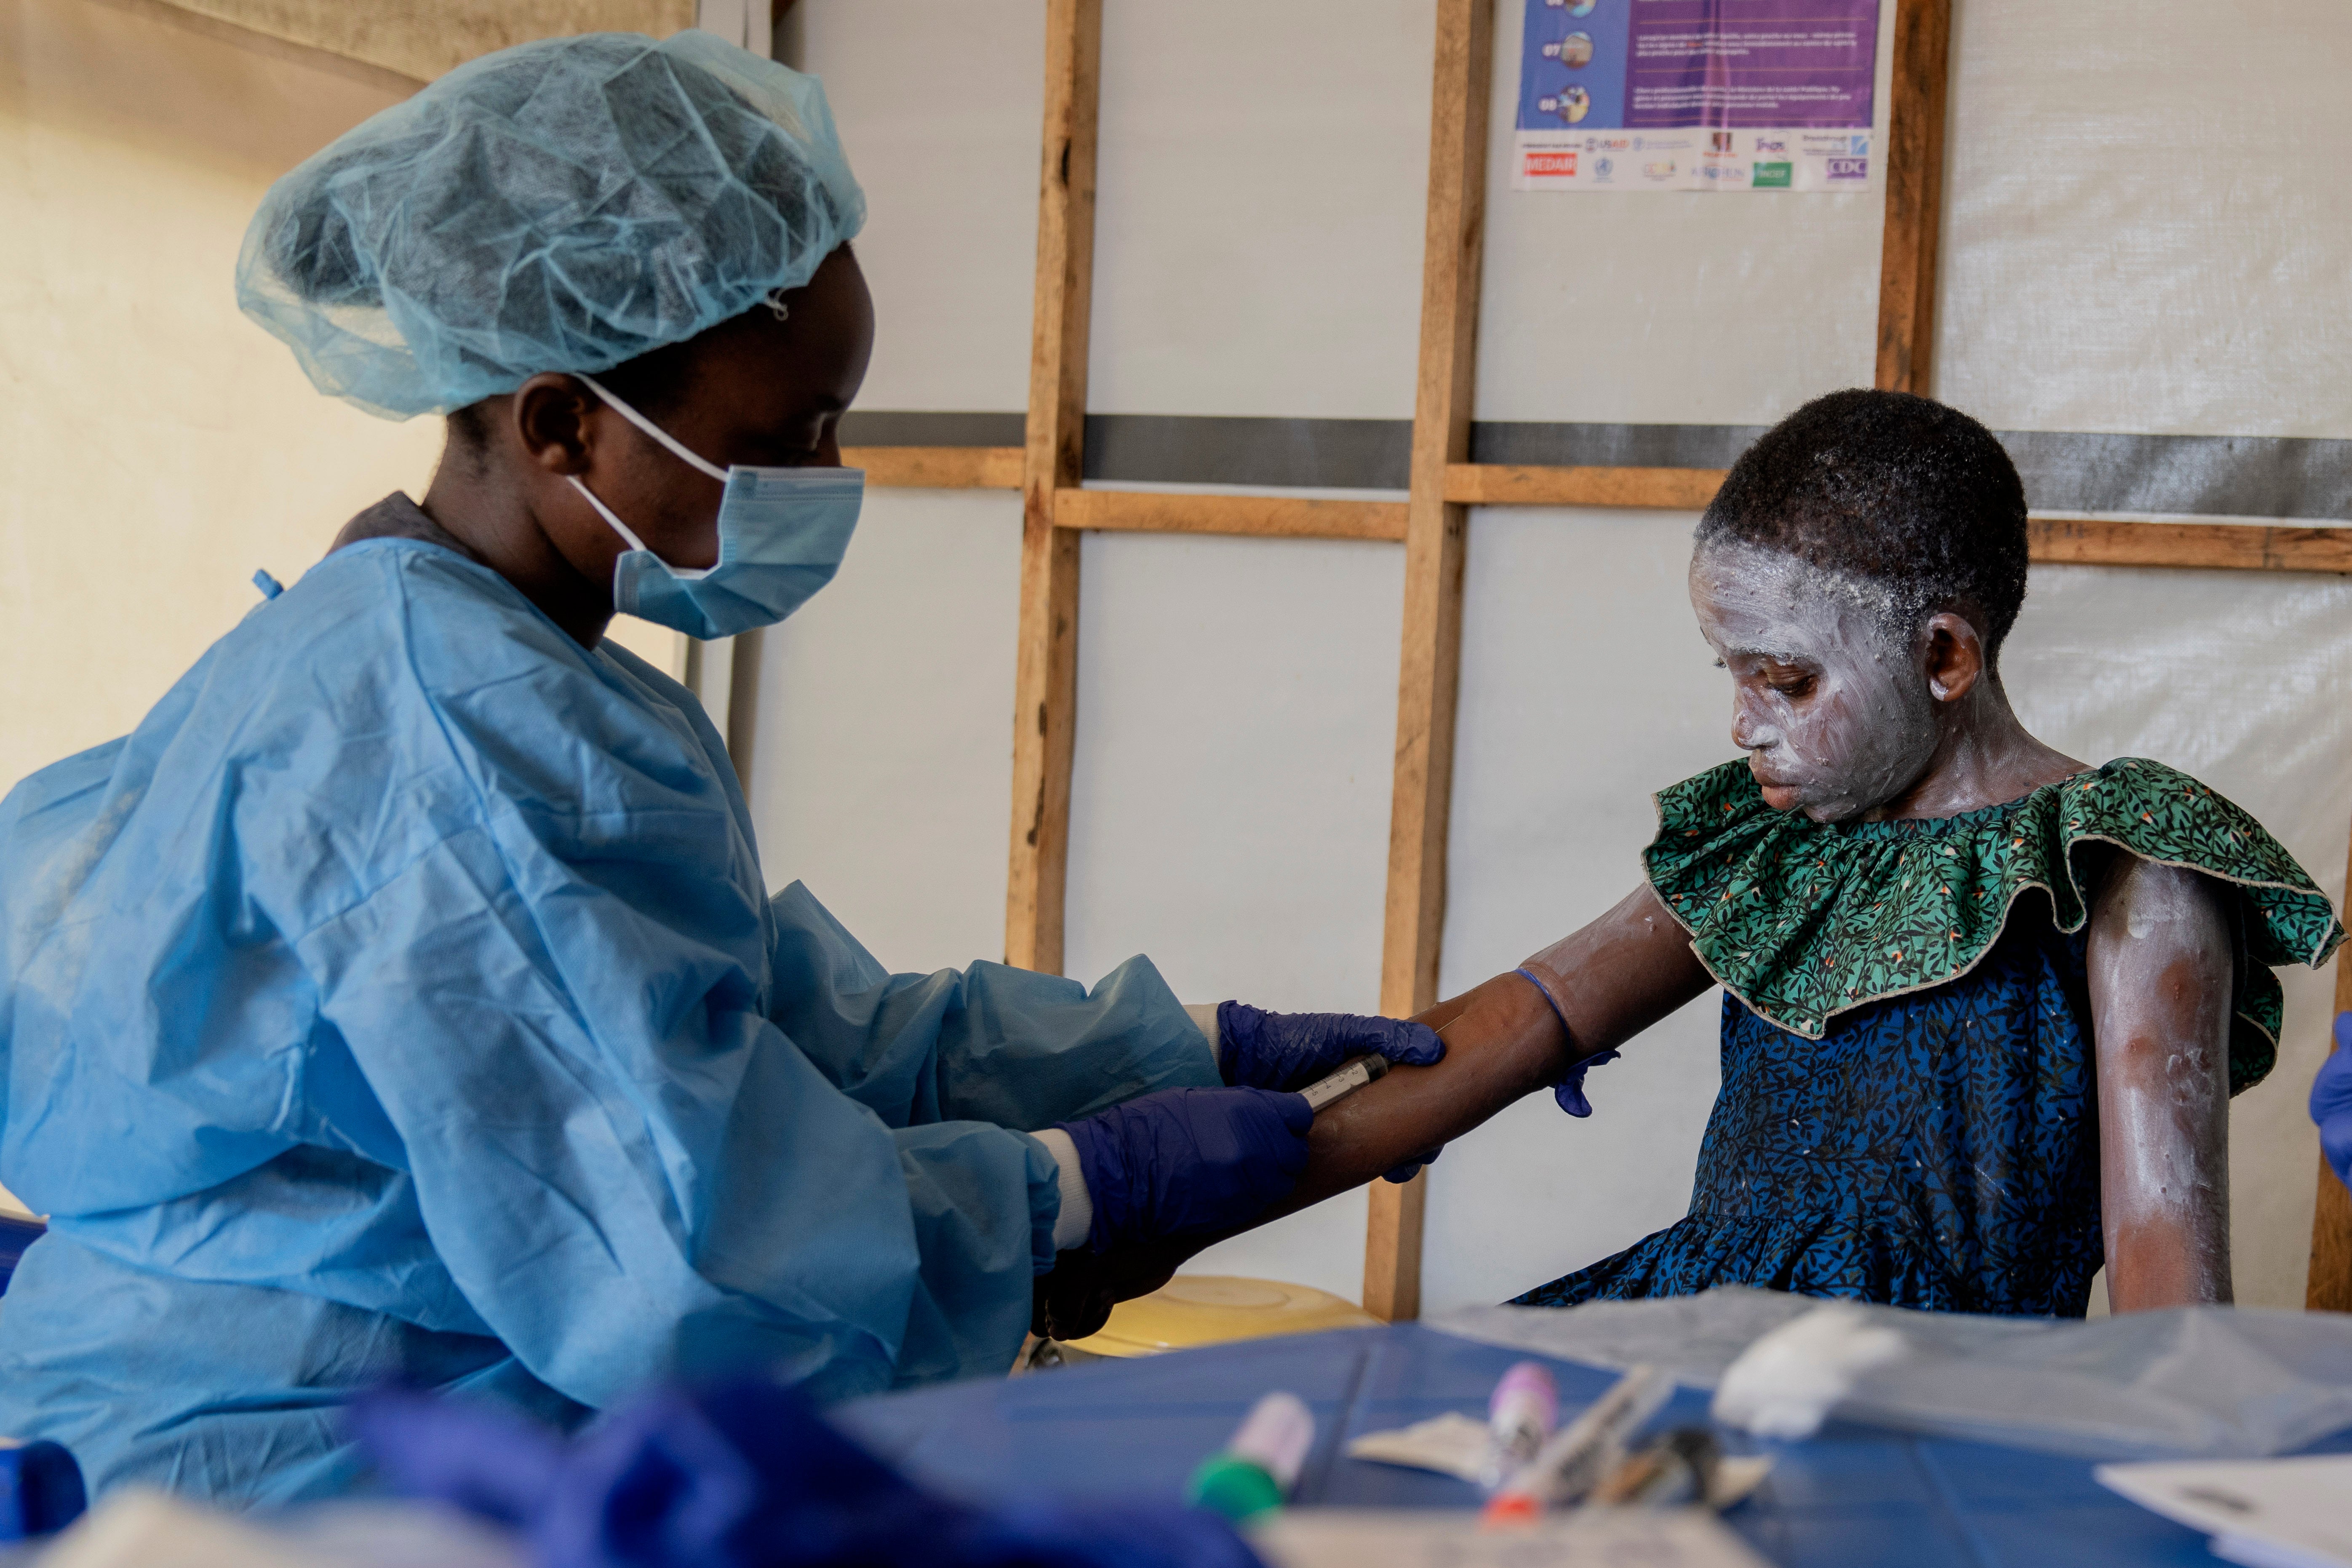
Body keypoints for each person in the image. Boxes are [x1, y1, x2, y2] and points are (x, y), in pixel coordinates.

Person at [0, 32, 1437, 1504]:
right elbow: (685, 1254)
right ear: (563, 421)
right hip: (290, 1473)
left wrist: (1181, 1046)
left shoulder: (513, 671)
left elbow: (784, 1032)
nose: (825, 481)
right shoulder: (451, 734)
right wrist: (1074, 1191)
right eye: (786, 436)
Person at [1097, 389, 2343, 1320]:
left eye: (1786, 678)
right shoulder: (1771, 843)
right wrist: (1170, 1192)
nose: (1742, 723)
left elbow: (2166, 1271)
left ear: (1944, 658)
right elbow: (1517, 1024)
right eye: (1729, 672)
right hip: (1693, 1336)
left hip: (1938, 1396)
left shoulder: (2117, 867)